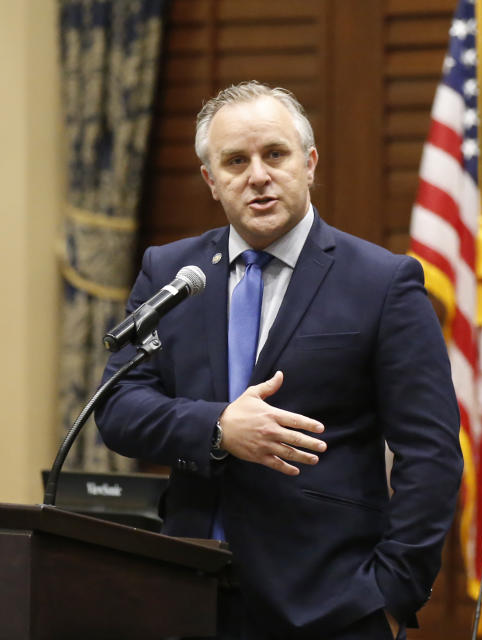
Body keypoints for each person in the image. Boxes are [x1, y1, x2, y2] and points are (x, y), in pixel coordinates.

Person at [94, 81, 462, 639]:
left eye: (275, 154)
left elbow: (431, 455)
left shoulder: (382, 283)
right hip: (187, 595)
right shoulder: (170, 273)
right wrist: (217, 427)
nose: (257, 176)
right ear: (210, 180)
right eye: (235, 161)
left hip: (332, 606)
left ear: (309, 164)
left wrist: (390, 597)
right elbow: (118, 407)